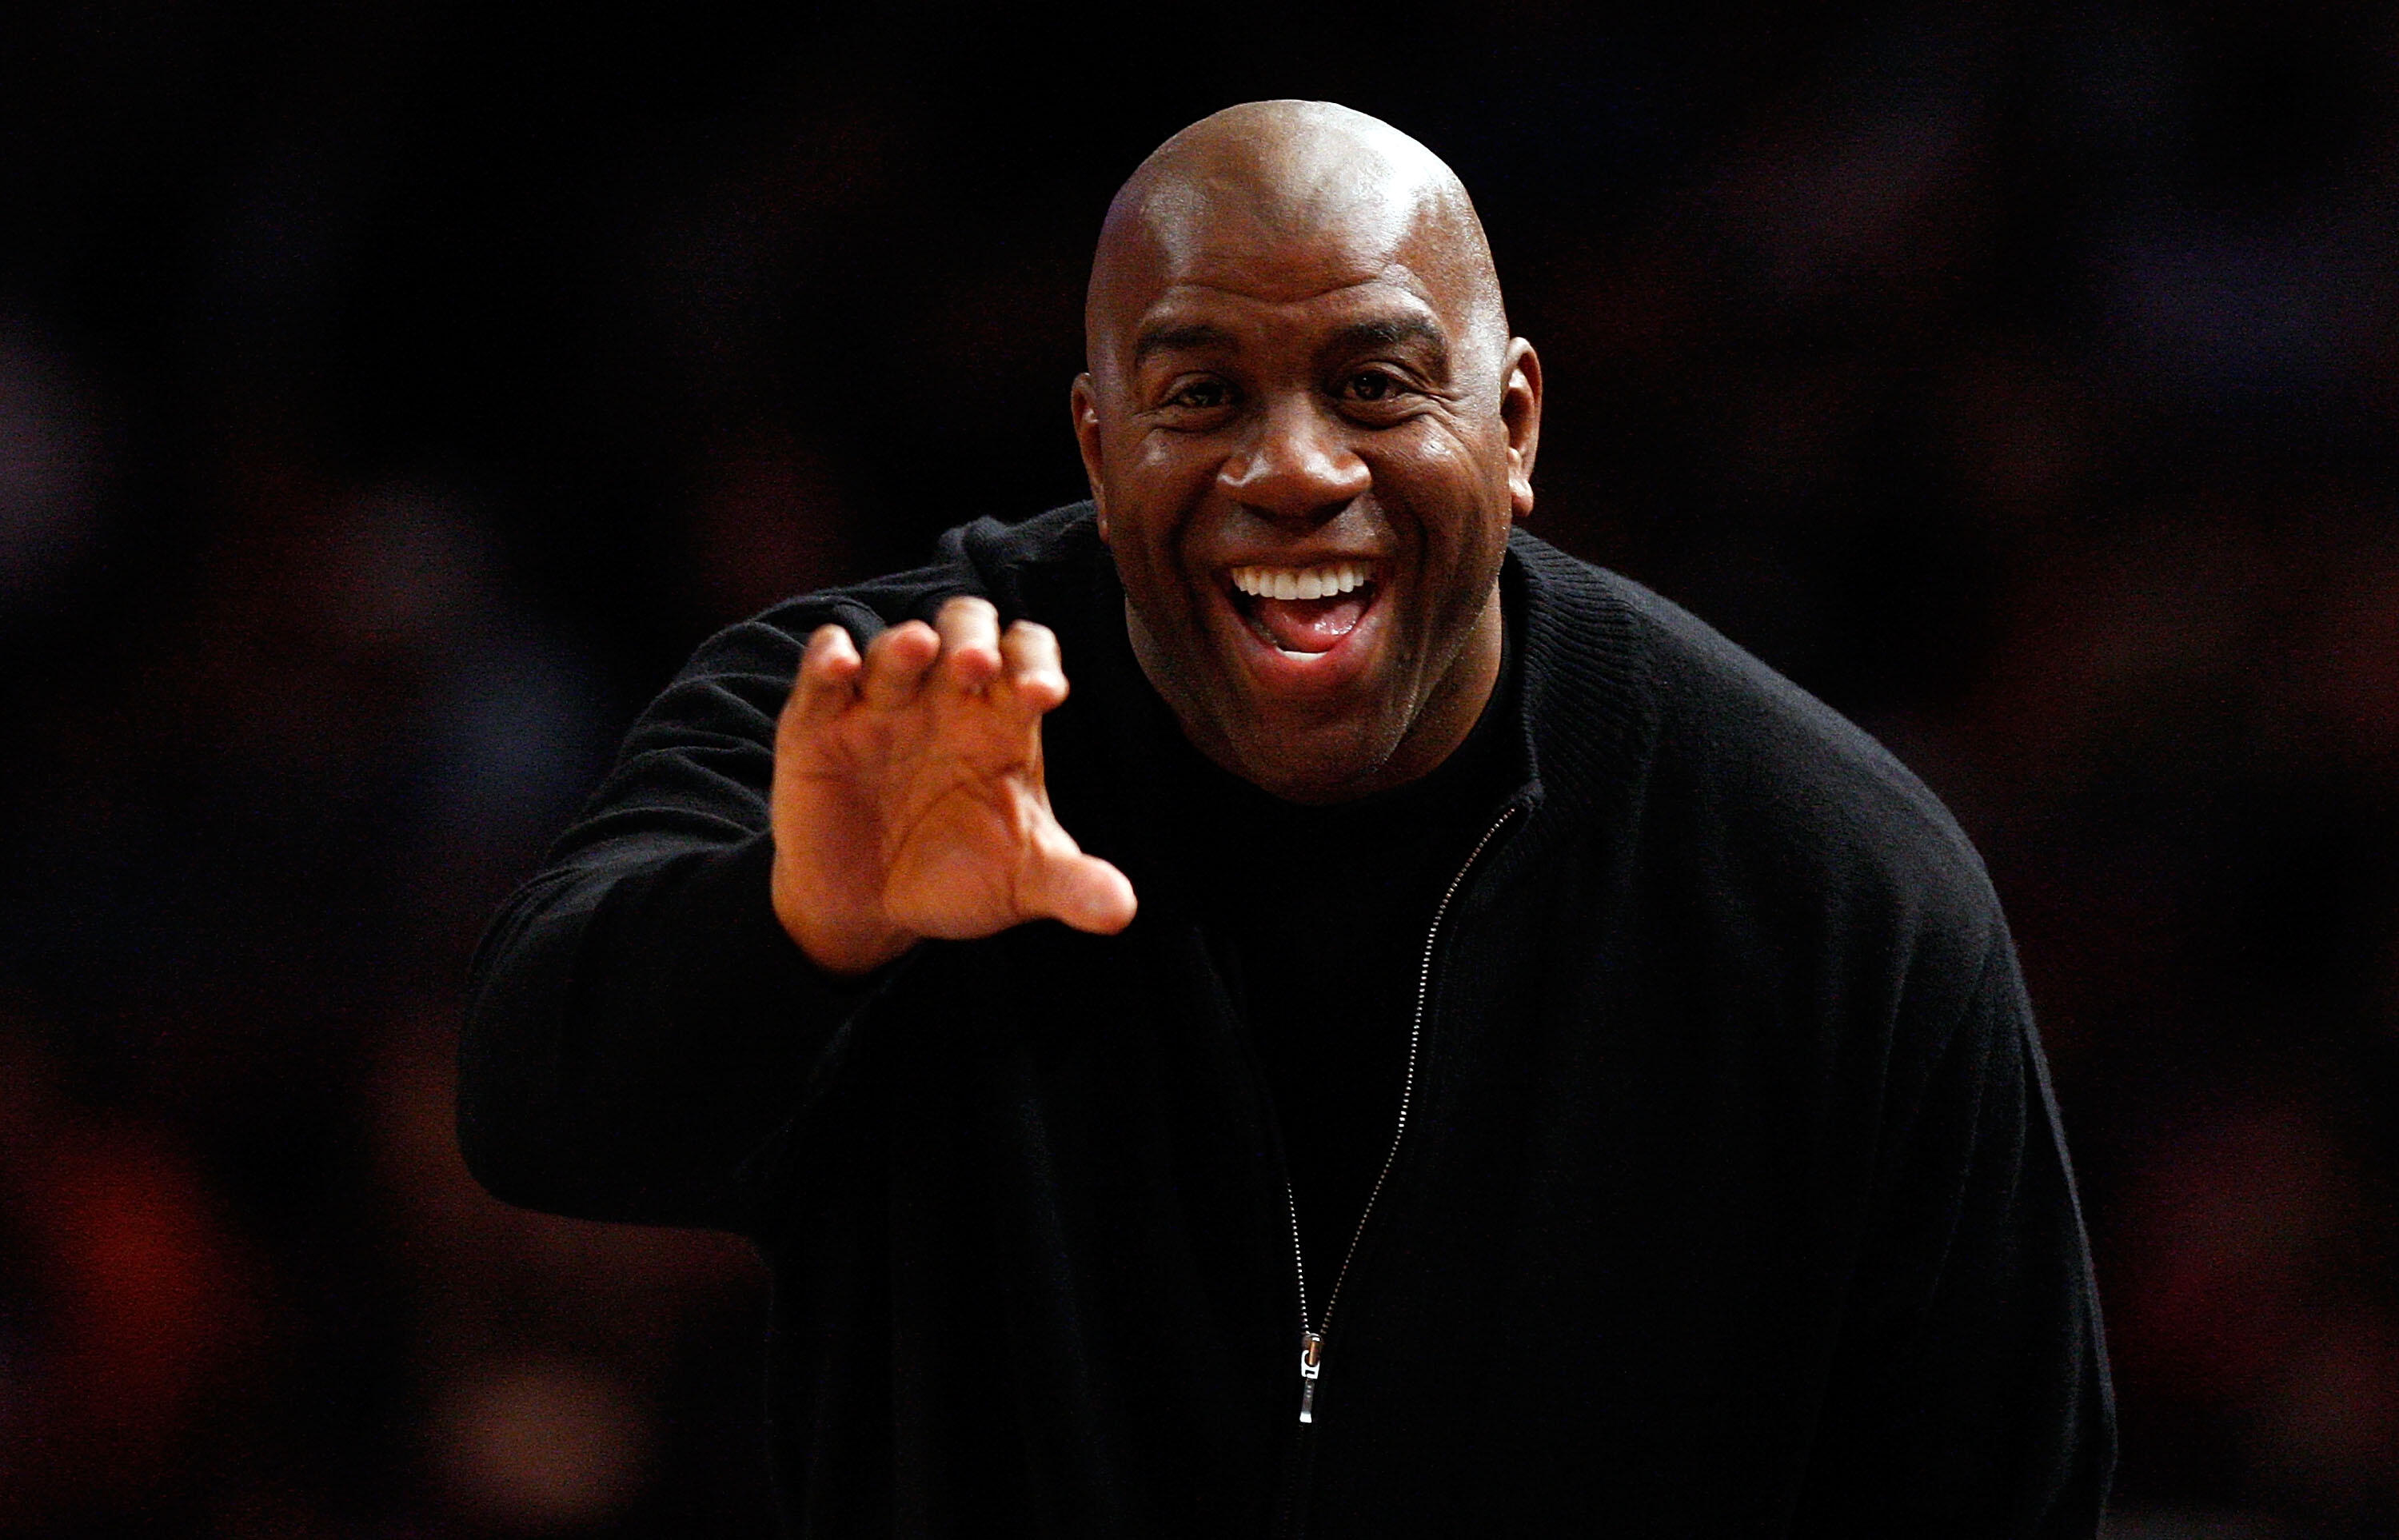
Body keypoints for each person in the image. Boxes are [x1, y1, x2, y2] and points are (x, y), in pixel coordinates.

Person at [461, 101, 2113, 1536]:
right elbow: (535, 1109)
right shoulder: (878, 727)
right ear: (1098, 448)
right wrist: (807, 929)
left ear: (1516, 424)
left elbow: (1996, 1491)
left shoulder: (1827, 881)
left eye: (1378, 383)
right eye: (1200, 398)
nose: (1295, 467)